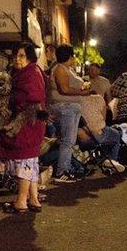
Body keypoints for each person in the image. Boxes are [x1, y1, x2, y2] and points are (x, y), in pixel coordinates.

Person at [0, 42, 47, 213]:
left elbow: (33, 97)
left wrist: (13, 104)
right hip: (29, 123)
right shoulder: (25, 72)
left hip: (26, 123)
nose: (17, 59)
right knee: (31, 160)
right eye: (15, 55)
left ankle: (21, 201)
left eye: (22, 55)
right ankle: (34, 199)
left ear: (30, 57)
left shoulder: (31, 73)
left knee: (24, 160)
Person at [46, 44, 89, 183]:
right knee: (67, 141)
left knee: (67, 140)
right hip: (65, 107)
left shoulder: (67, 69)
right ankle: (62, 171)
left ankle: (65, 168)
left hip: (70, 107)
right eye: (73, 56)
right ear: (70, 56)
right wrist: (83, 92)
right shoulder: (59, 69)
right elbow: (64, 89)